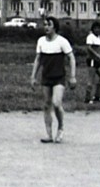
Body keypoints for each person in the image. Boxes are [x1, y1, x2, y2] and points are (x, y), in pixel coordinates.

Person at [30, 16, 76, 144]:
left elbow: (71, 58)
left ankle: (60, 128)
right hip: (46, 77)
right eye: (45, 24)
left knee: (56, 103)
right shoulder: (41, 41)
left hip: (59, 77)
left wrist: (72, 76)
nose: (46, 27)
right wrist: (33, 76)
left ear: (55, 27)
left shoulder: (62, 41)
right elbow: (38, 59)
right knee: (46, 105)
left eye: (49, 24)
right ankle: (49, 134)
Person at [84, 22, 100, 103]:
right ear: (93, 29)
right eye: (95, 28)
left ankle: (97, 96)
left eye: (98, 28)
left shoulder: (98, 37)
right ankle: (87, 98)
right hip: (92, 60)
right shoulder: (90, 37)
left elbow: (99, 49)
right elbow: (89, 48)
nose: (97, 30)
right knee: (91, 79)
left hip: (97, 61)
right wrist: (97, 55)